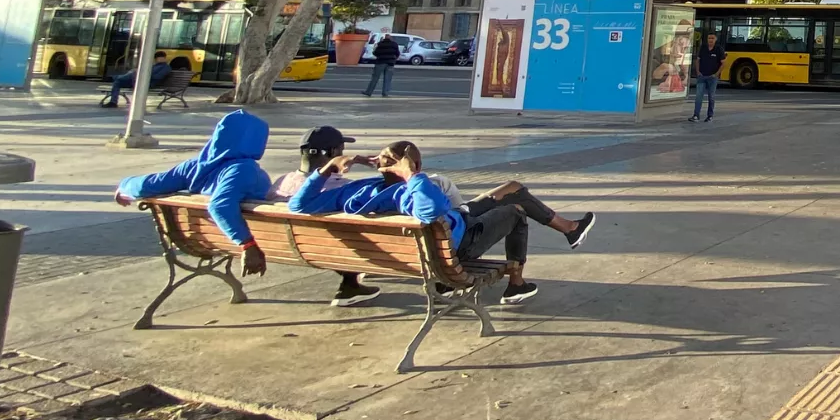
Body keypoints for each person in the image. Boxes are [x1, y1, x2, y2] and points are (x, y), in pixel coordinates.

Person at [114, 109, 273, 278]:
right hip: (264, 238)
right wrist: (247, 244)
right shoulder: (244, 170)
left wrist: (125, 187)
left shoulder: (194, 167)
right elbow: (220, 206)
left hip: (205, 239)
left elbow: (151, 184)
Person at [383, 141, 543, 305]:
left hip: (415, 256)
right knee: (515, 212)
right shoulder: (424, 194)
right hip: (455, 249)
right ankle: (516, 284)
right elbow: (432, 208)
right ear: (416, 165)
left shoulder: (365, 197)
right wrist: (413, 175)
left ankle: (569, 229)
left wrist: (353, 164)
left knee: (499, 197)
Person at [270, 125, 381, 306]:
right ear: (332, 153)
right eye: (341, 150)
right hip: (334, 248)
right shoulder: (340, 187)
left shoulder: (282, 181)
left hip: (287, 246)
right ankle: (349, 282)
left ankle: (351, 277)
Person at [100, 52, 167, 108]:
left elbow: (157, 77)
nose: (159, 59)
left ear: (164, 58)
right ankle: (113, 102)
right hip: (139, 82)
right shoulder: (153, 66)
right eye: (158, 58)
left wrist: (144, 74)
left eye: (161, 58)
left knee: (133, 73)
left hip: (148, 83)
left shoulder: (166, 67)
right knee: (118, 82)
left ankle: (113, 77)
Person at [691, 31, 724, 123]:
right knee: (698, 97)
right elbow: (698, 60)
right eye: (709, 38)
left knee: (711, 97)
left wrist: (716, 74)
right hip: (702, 76)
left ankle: (710, 116)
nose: (710, 40)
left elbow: (723, 64)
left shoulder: (719, 49)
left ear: (715, 39)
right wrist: (698, 72)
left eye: (712, 38)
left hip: (712, 77)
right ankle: (696, 115)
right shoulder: (703, 48)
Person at [364, 32, 400, 97]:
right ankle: (385, 93)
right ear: (391, 38)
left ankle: (369, 92)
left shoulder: (380, 44)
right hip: (390, 63)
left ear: (384, 38)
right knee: (387, 79)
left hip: (380, 62)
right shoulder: (394, 44)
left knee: (375, 78)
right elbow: (397, 53)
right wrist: (393, 59)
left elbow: (375, 53)